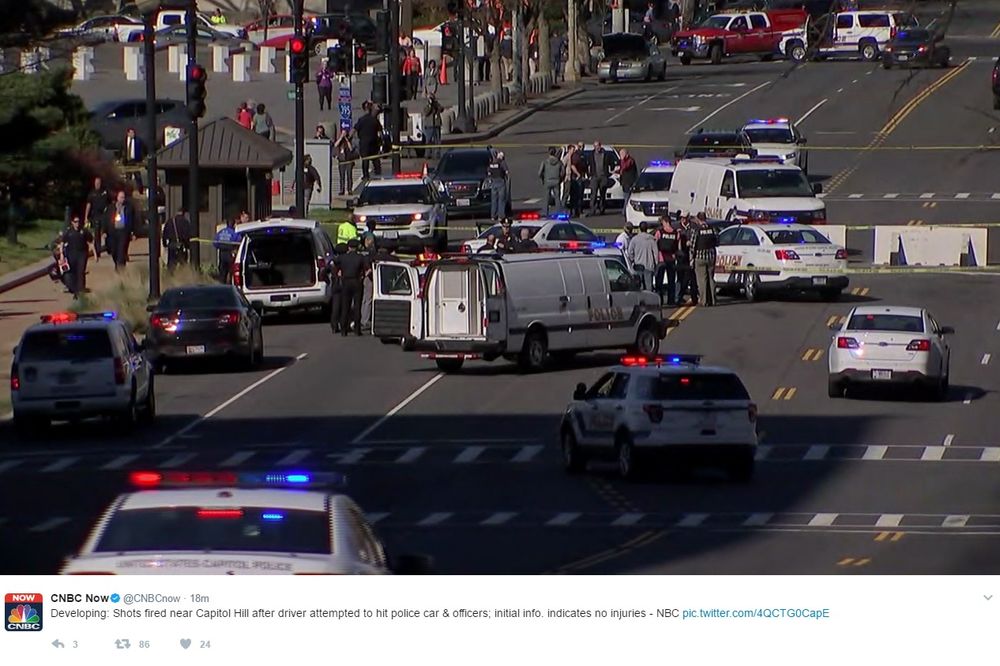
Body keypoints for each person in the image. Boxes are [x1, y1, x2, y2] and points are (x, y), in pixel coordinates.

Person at [337, 239, 367, 336]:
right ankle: (357, 329)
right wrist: (363, 277)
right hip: (356, 281)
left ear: (349, 247)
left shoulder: (343, 258)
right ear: (357, 247)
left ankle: (343, 329)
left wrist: (339, 274)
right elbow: (368, 269)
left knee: (345, 306)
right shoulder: (360, 257)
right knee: (357, 306)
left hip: (345, 281)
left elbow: (335, 267)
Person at [690, 212, 719, 306]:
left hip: (700, 257)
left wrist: (691, 258)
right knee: (711, 278)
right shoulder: (712, 229)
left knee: (702, 280)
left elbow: (693, 245)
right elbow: (717, 240)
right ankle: (713, 300)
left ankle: (704, 301)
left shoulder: (697, 230)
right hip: (711, 256)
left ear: (698, 219)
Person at [61, 216, 93, 298]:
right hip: (71, 254)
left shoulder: (84, 231)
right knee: (73, 272)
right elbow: (62, 242)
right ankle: (75, 289)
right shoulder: (69, 232)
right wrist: (62, 255)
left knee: (81, 271)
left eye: (78, 221)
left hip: (82, 254)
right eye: (75, 222)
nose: (77, 223)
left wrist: (95, 254)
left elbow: (90, 241)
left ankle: (80, 290)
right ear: (72, 223)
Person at [107, 190, 135, 270]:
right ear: (117, 198)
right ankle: (117, 263)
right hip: (113, 232)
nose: (123, 199)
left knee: (121, 250)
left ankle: (121, 267)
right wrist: (105, 231)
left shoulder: (129, 208)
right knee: (114, 250)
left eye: (123, 197)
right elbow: (106, 219)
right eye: (121, 197)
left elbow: (133, 220)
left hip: (123, 232)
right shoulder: (111, 207)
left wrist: (133, 232)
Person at [354, 102, 382, 180]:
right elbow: (380, 132)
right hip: (373, 142)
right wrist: (381, 141)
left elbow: (354, 129)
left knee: (365, 160)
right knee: (375, 158)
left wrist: (349, 138)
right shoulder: (374, 120)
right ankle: (378, 172)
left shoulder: (361, 120)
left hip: (364, 143)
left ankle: (366, 175)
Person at [83, 176, 110, 258]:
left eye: (99, 183)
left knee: (106, 232)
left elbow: (110, 203)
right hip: (96, 215)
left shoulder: (105, 192)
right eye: (96, 183)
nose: (97, 184)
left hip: (105, 215)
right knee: (97, 233)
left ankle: (109, 247)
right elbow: (88, 205)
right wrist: (86, 217)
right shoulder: (92, 194)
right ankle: (98, 251)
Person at [627, 222, 658, 291]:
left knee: (639, 287)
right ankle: (650, 301)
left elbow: (630, 252)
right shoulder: (651, 239)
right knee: (649, 287)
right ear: (647, 229)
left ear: (639, 229)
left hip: (638, 266)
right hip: (649, 266)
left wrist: (633, 260)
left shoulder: (634, 239)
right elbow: (656, 253)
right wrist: (656, 264)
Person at [675, 213, 698, 305]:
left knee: (692, 278)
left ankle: (694, 298)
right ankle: (678, 297)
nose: (683, 219)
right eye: (681, 218)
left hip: (690, 256)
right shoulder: (676, 226)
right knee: (680, 279)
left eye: (684, 218)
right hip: (680, 257)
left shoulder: (693, 226)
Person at [655, 215, 678, 305]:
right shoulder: (676, 233)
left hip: (661, 259)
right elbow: (678, 246)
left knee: (659, 281)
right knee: (671, 281)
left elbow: (655, 243)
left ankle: (659, 300)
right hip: (671, 259)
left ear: (665, 222)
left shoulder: (660, 232)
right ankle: (671, 300)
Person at [586, 141, 612, 216]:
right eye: (595, 146)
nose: (597, 147)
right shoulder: (591, 155)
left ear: (600, 146)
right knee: (593, 194)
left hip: (603, 176)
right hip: (594, 176)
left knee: (602, 194)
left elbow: (611, 163)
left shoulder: (606, 154)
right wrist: (589, 174)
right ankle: (592, 210)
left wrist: (609, 173)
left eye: (598, 146)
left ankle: (602, 209)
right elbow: (588, 165)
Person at [538, 147, 565, 216]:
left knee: (546, 197)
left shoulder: (545, 162)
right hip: (556, 181)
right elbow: (563, 172)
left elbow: (539, 173)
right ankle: (559, 212)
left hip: (547, 181)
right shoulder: (559, 162)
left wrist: (543, 179)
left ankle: (545, 212)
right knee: (557, 198)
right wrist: (560, 179)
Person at [214, 217, 241, 282]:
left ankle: (222, 287)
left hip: (221, 254)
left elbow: (215, 243)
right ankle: (230, 286)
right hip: (230, 254)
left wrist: (221, 247)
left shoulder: (220, 232)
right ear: (233, 224)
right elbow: (239, 241)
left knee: (222, 273)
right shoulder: (234, 233)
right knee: (231, 272)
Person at [487, 151, 509, 222]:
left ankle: (493, 216)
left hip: (493, 182)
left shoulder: (491, 163)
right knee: (501, 200)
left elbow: (489, 172)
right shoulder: (502, 163)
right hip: (501, 182)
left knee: (494, 200)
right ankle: (500, 216)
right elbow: (506, 172)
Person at [334, 128, 357, 195]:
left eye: (345, 133)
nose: (344, 134)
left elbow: (351, 148)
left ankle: (349, 189)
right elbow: (335, 145)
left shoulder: (350, 140)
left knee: (349, 176)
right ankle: (342, 189)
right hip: (341, 160)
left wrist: (347, 140)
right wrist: (341, 137)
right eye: (343, 133)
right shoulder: (340, 141)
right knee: (342, 176)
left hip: (349, 160)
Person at [423, 93, 443, 158]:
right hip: (429, 125)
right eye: (430, 98)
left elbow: (442, 109)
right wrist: (430, 105)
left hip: (436, 124)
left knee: (437, 140)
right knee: (428, 140)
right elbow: (426, 112)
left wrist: (436, 105)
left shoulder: (436, 104)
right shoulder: (426, 105)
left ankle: (437, 153)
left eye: (432, 98)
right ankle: (428, 154)